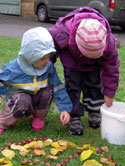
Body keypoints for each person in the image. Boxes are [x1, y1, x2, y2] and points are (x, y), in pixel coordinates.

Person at [0, 27, 72, 139]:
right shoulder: (13, 68)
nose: (47, 61)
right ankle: (1, 124)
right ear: (29, 55)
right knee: (23, 101)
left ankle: (39, 117)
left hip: (37, 97)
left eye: (49, 57)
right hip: (19, 98)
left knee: (47, 92)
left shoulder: (48, 67)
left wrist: (64, 108)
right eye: (42, 58)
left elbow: (57, 87)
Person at [49, 7, 120, 135]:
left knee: (94, 84)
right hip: (71, 59)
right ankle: (74, 115)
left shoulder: (109, 41)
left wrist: (109, 93)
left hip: (94, 65)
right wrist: (48, 64)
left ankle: (94, 110)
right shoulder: (63, 31)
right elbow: (51, 48)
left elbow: (112, 68)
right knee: (73, 86)